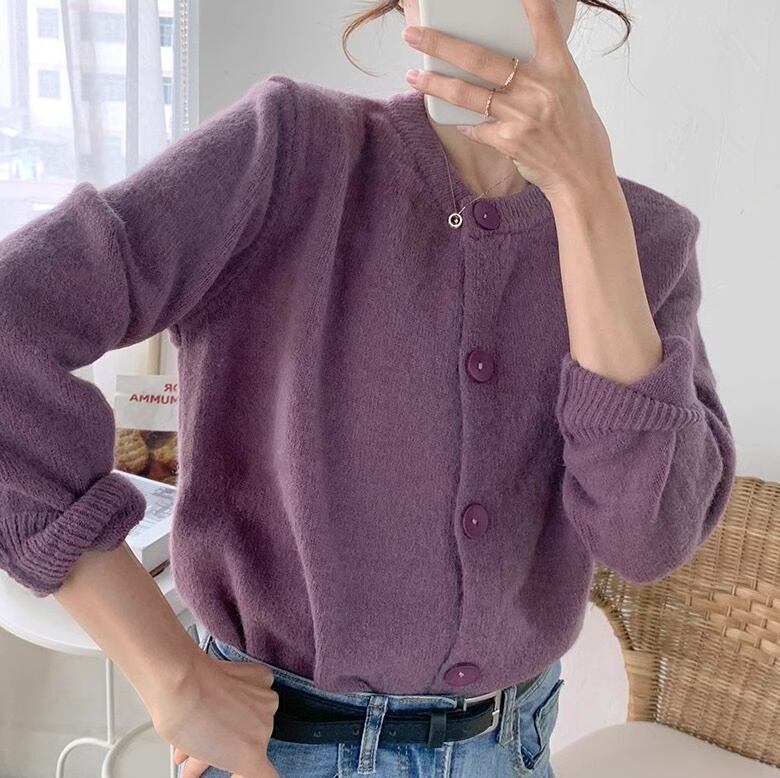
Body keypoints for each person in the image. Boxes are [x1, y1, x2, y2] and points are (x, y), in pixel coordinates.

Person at [0, 0, 736, 776]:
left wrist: (587, 195)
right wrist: (169, 675)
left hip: (508, 750)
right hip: (276, 749)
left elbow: (646, 538)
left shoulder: (643, 242)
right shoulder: (285, 154)